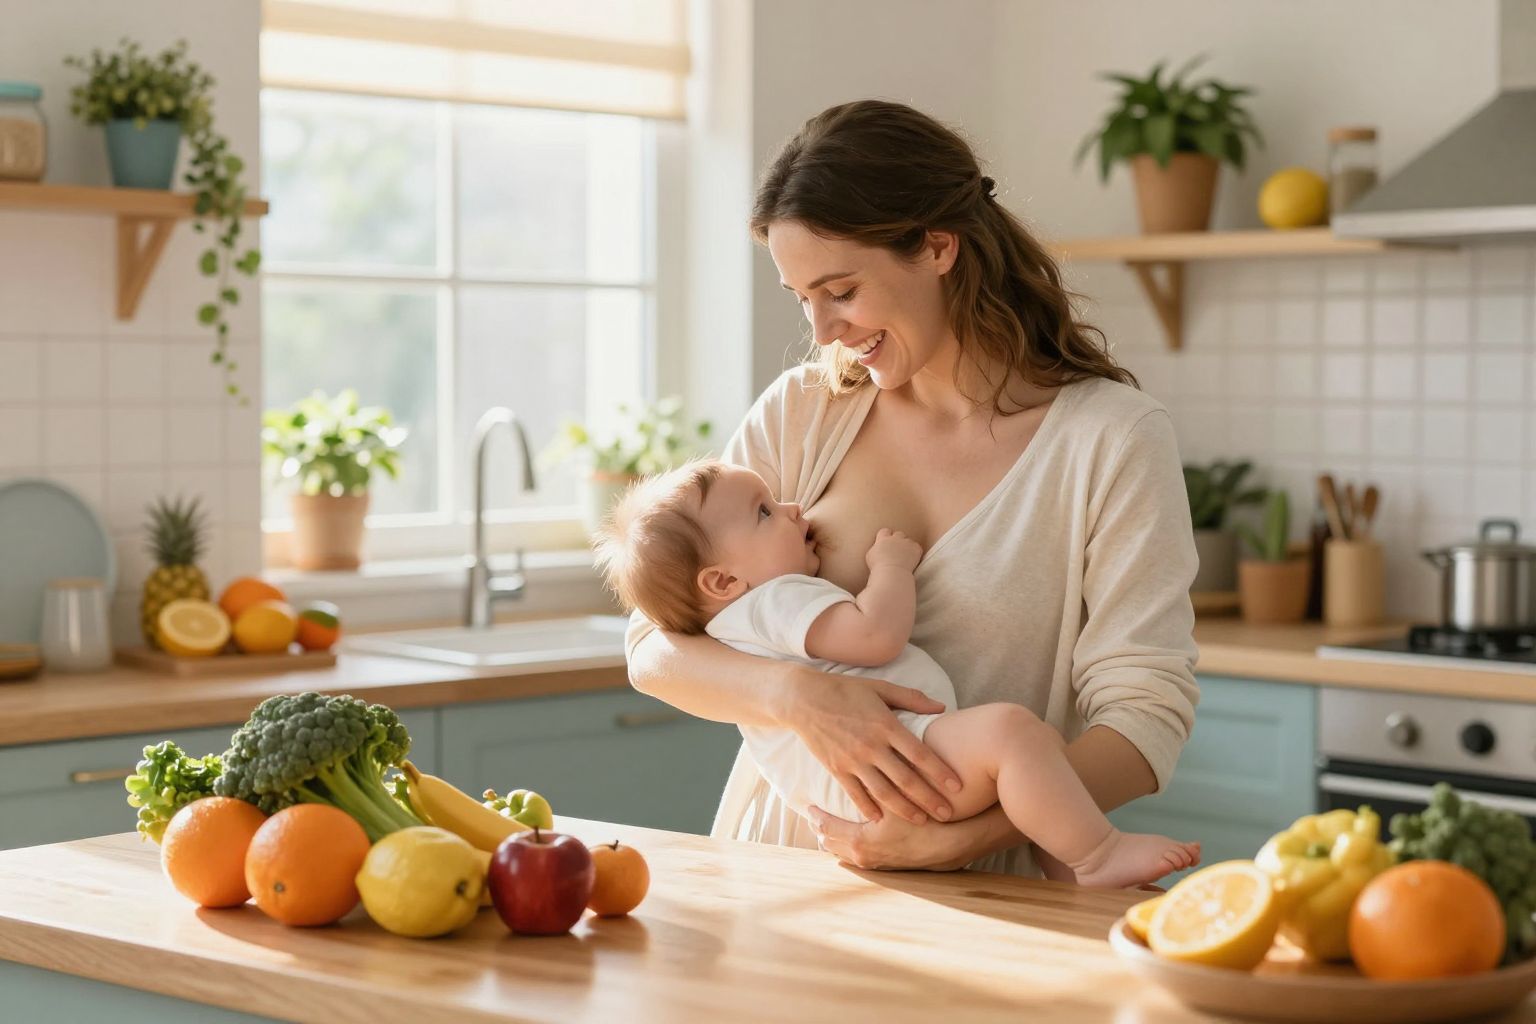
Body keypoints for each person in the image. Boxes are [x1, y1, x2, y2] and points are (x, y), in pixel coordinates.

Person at [624, 99, 1199, 878]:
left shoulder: (1109, 439)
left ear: (936, 247)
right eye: (803, 299)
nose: (823, 331)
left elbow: (1146, 711)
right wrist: (797, 697)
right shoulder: (805, 411)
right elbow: (654, 649)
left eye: (841, 291)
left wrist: (966, 835)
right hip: (778, 864)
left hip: (985, 887)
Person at [596, 459, 1201, 887]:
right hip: (899, 767)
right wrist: (890, 566)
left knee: (1031, 745)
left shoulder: (740, 614)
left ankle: (1068, 862)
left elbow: (1147, 707)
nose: (791, 507)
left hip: (856, 801)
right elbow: (874, 634)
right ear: (723, 582)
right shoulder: (775, 600)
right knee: (1019, 736)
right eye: (764, 512)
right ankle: (1094, 854)